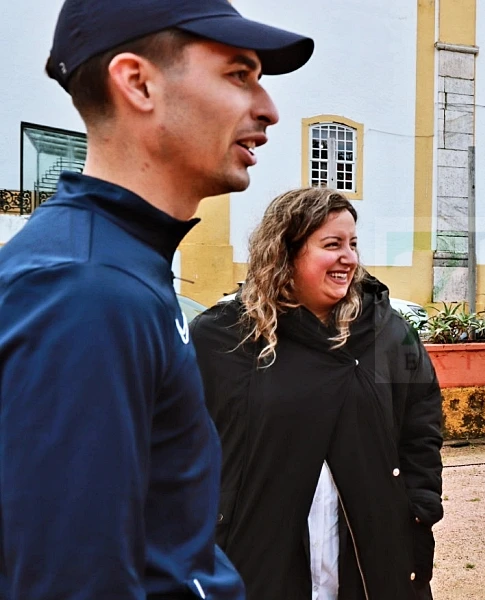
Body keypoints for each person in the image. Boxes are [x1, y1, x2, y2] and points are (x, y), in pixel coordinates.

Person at [0, 1, 312, 597]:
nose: (268, 109)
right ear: (138, 82)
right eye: (239, 74)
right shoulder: (83, 289)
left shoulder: (119, 262)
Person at [191, 188, 444, 600]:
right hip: (259, 554)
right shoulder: (224, 337)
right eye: (332, 244)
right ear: (286, 251)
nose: (349, 258)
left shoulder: (385, 333)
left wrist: (417, 505)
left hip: (369, 553)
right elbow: (186, 443)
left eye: (353, 244)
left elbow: (421, 426)